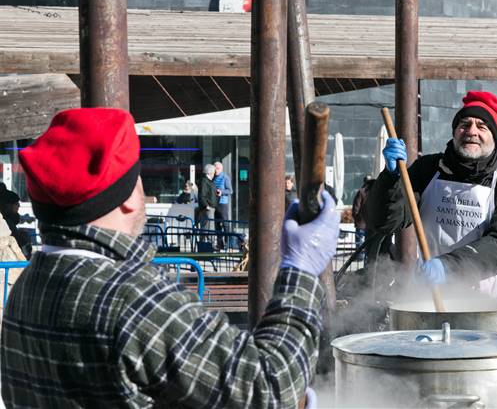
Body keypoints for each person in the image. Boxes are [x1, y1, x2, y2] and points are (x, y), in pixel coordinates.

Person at [1, 108, 340, 408]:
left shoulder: (26, 287)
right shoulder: (135, 298)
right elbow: (271, 389)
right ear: (128, 199)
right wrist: (300, 268)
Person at [366, 91, 497, 297]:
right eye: (464, 124)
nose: (471, 131)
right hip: (435, 290)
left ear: (495, 137)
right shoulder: (427, 169)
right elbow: (383, 222)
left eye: (482, 126)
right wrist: (390, 179)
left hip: (493, 296)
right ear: (454, 132)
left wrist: (447, 267)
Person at [352, 175, 375, 260]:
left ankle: (360, 256)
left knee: (359, 241)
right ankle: (366, 258)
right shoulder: (374, 192)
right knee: (368, 243)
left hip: (361, 221)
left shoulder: (361, 192)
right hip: (371, 223)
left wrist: (356, 218)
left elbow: (356, 207)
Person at [213, 161, 233, 251]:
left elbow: (230, 191)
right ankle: (219, 244)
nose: (215, 170)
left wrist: (222, 192)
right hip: (215, 203)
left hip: (223, 203)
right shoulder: (213, 178)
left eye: (217, 168)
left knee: (225, 224)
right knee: (217, 225)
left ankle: (228, 244)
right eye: (215, 168)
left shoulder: (225, 177)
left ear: (221, 169)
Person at [196, 164, 218, 231]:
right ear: (210, 172)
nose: (214, 174)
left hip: (210, 207)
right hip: (208, 208)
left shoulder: (208, 181)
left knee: (207, 227)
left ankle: (206, 241)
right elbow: (202, 195)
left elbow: (207, 193)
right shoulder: (204, 181)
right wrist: (206, 205)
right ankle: (208, 241)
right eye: (214, 172)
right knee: (208, 228)